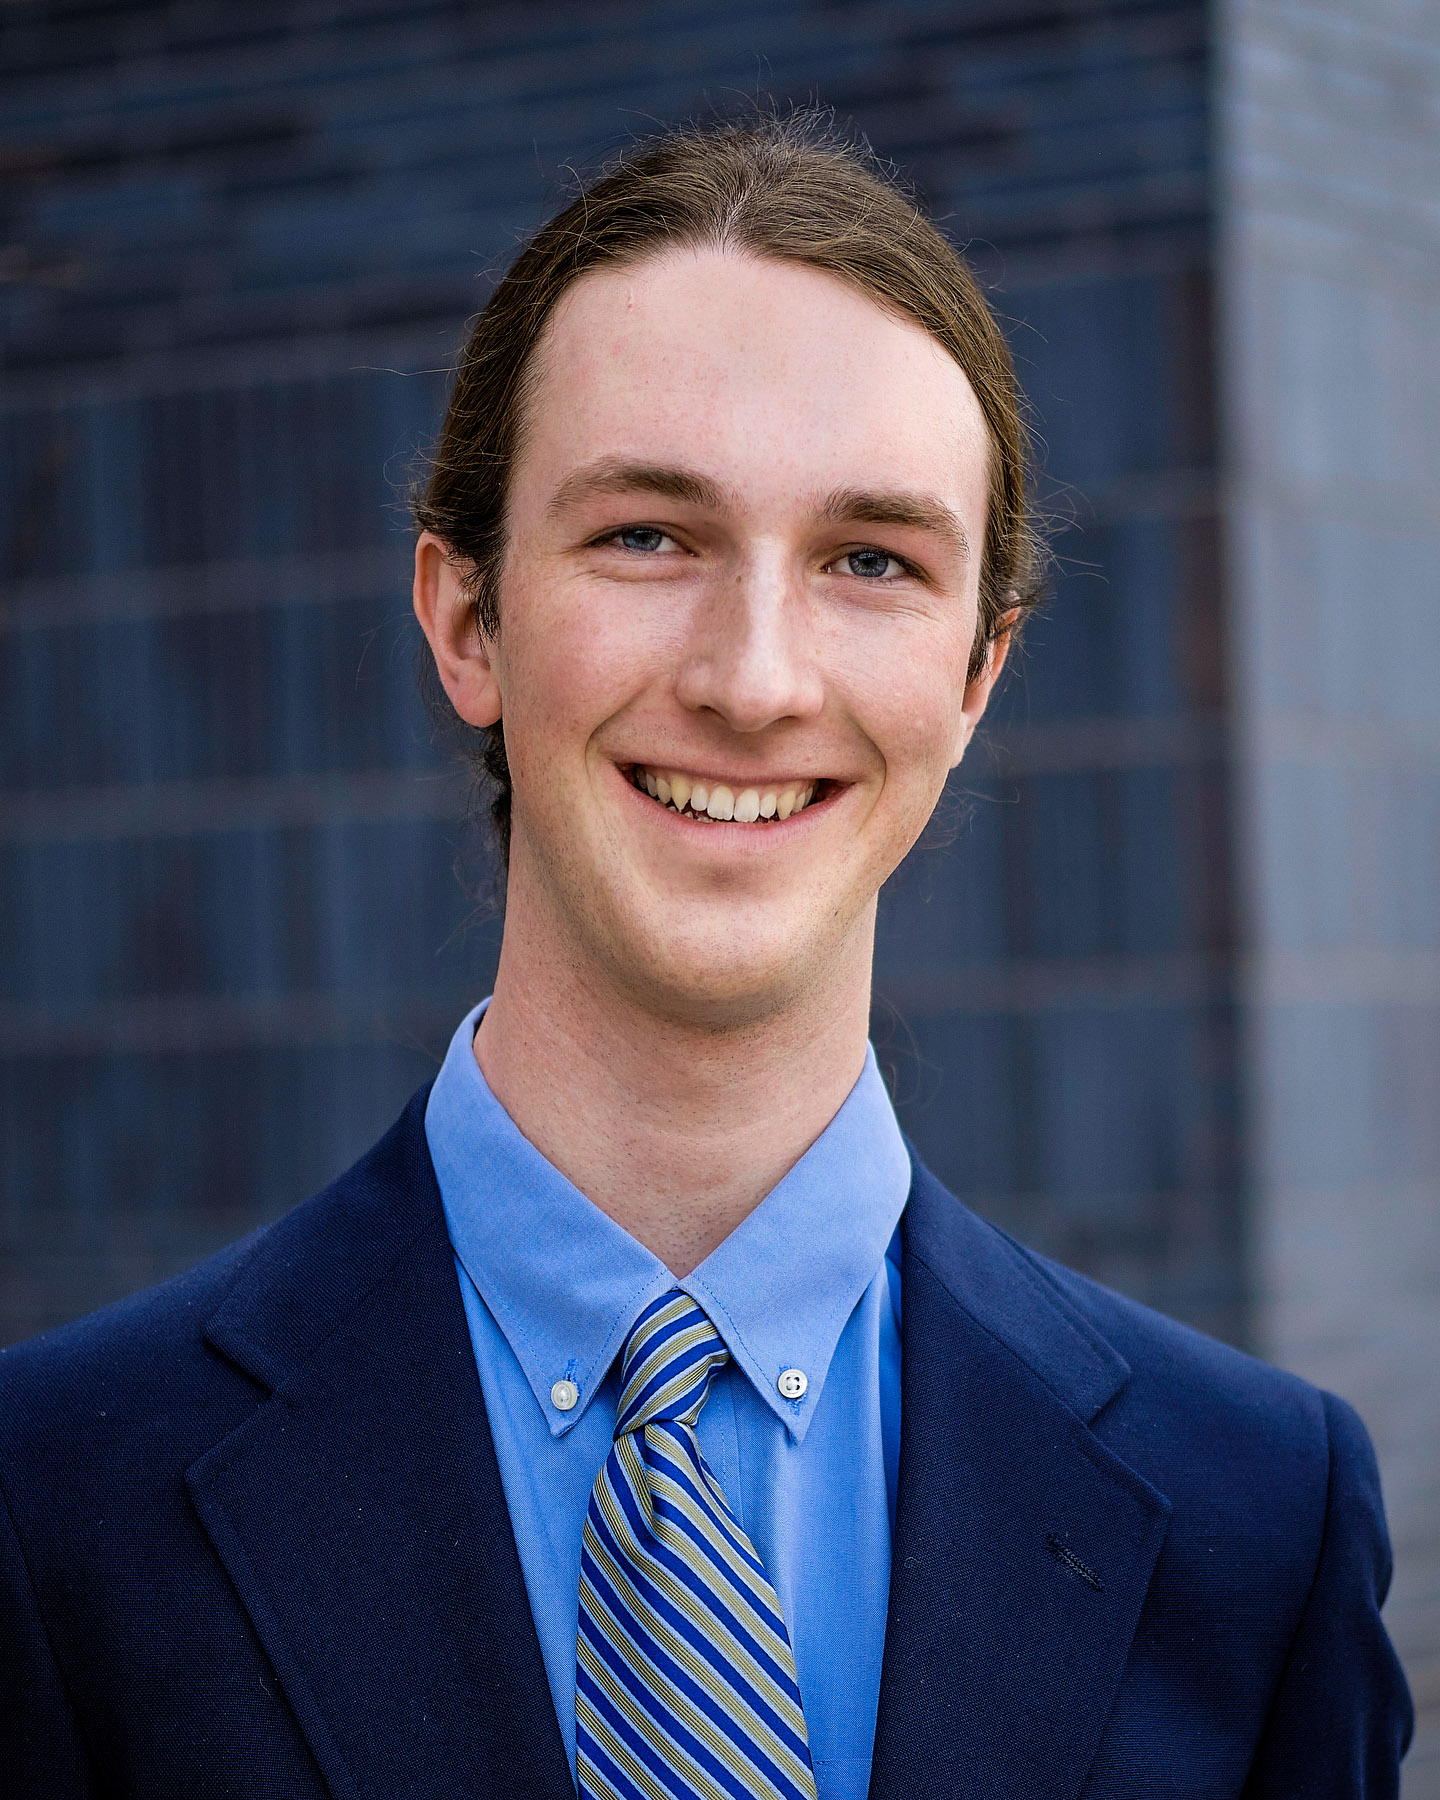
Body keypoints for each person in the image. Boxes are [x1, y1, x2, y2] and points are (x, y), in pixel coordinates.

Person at [0, 114, 1411, 1800]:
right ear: (467, 619)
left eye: (872, 562)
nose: (753, 680)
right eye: (648, 536)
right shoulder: (53, 1503)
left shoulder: (1261, 1522)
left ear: (977, 676)